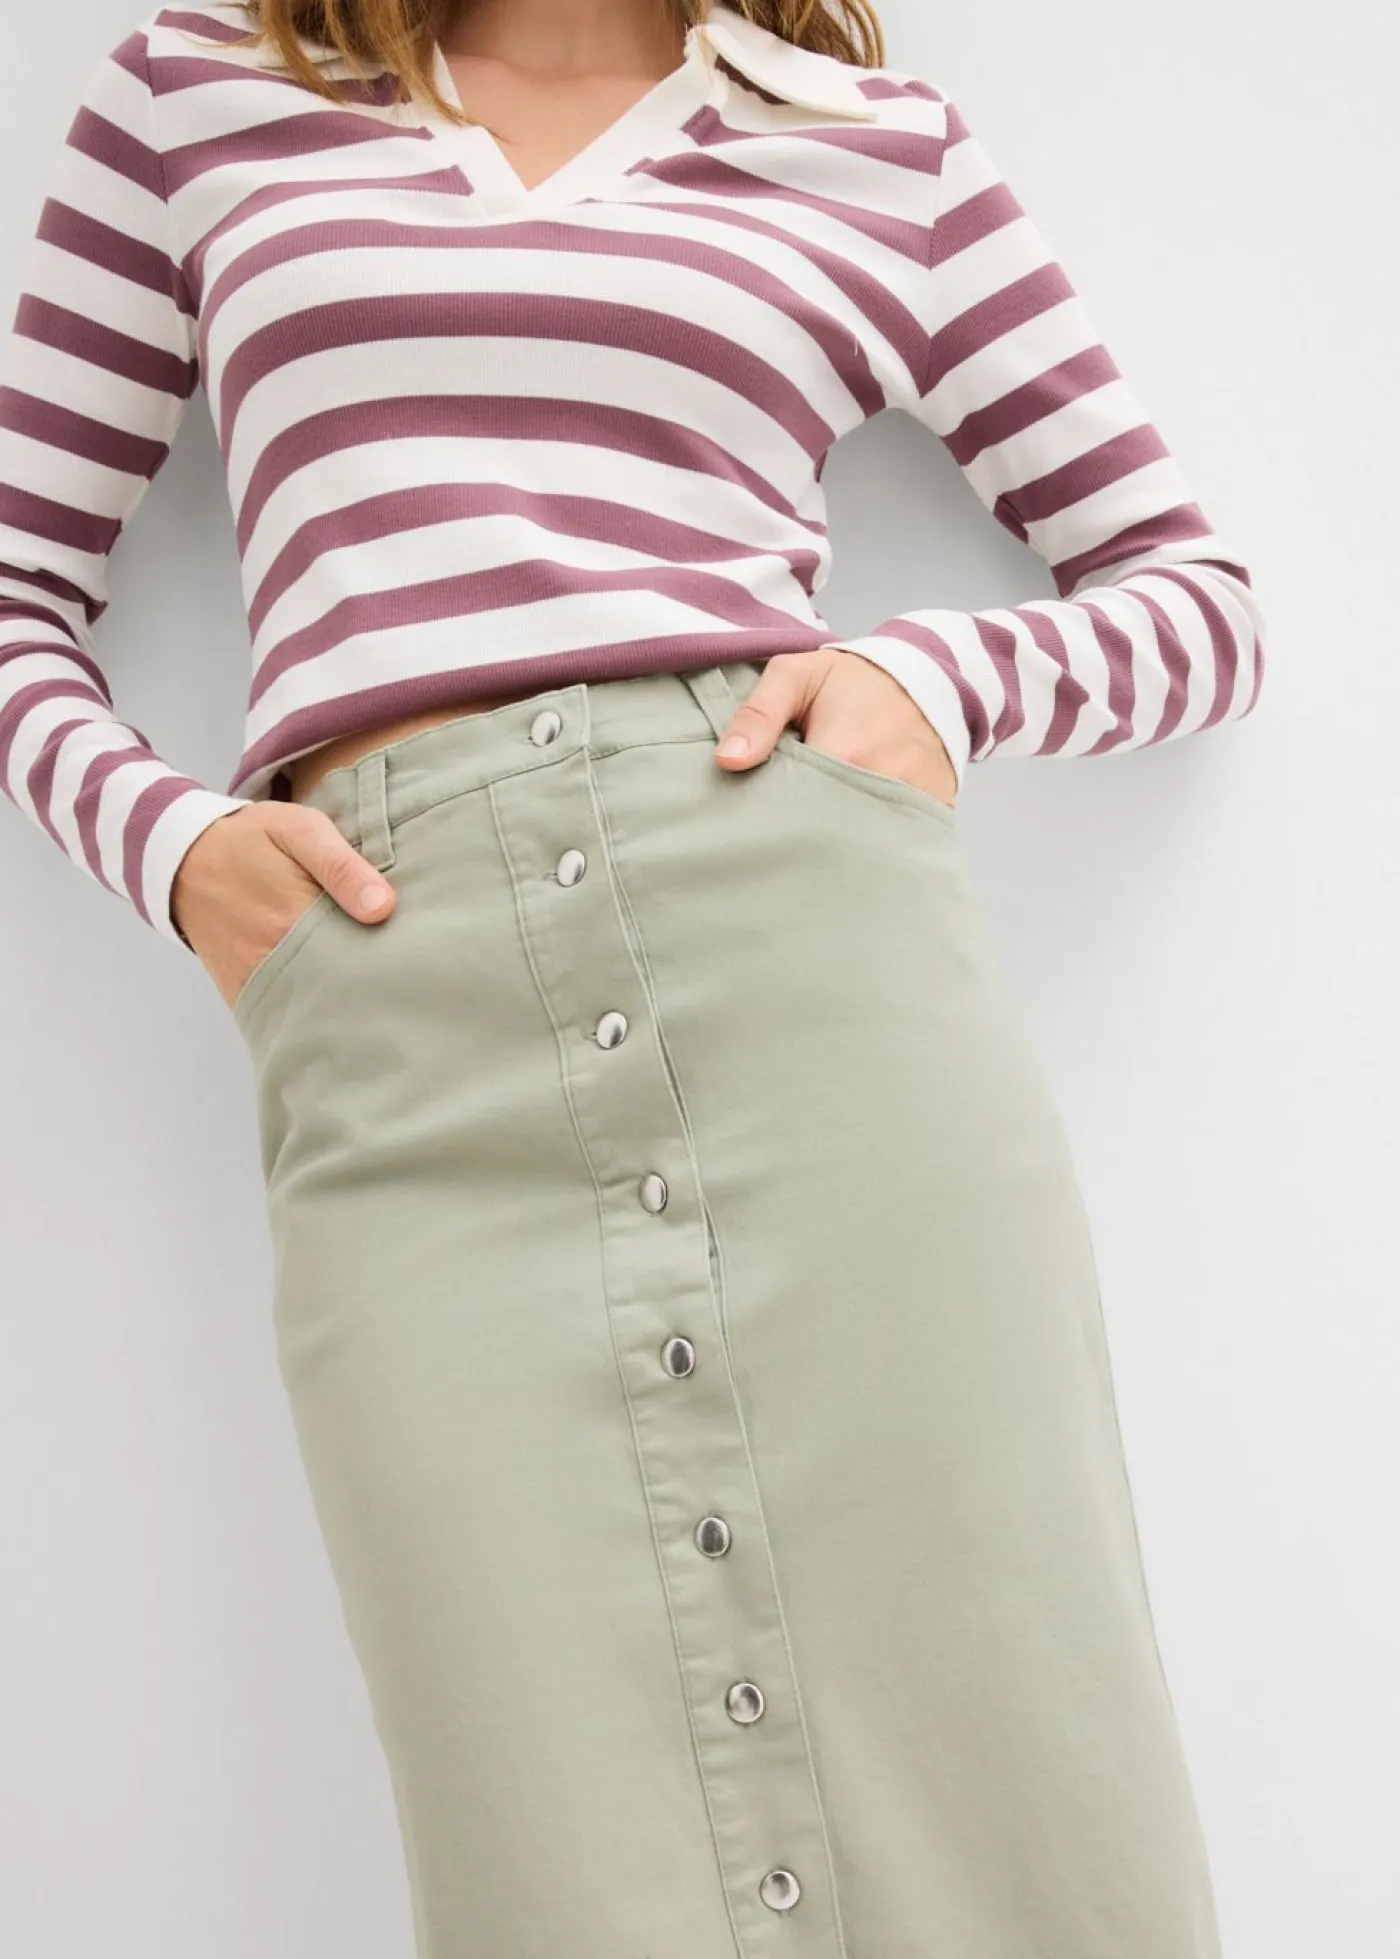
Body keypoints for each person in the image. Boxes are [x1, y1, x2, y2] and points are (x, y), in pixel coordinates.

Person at [0, 1, 1265, 1953]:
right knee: (546, 1822)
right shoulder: (199, 91)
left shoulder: (872, 143)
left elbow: (1194, 600)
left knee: (1008, 1742)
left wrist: (933, 676)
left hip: (819, 996)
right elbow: (16, 587)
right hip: (401, 1035)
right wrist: (172, 851)